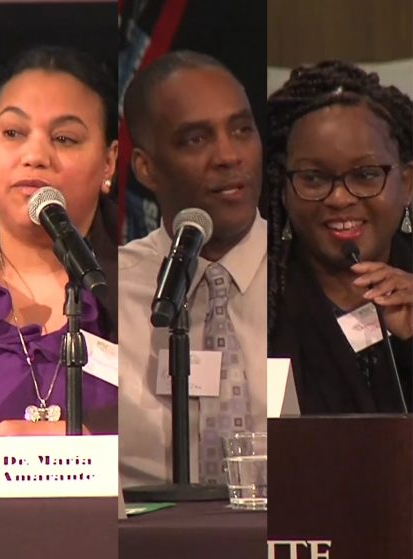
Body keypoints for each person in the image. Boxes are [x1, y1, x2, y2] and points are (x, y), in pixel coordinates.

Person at [119, 51, 267, 487]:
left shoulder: (305, 272)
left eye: (242, 130)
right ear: (146, 167)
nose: (228, 155)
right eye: (195, 140)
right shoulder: (106, 295)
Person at [0, 47, 118, 437]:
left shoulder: (143, 277)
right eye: (12, 133)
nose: (35, 155)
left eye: (65, 138)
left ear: (109, 163)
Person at [266, 61, 412, 413]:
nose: (340, 198)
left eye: (365, 175)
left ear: (407, 185)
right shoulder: (263, 304)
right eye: (314, 178)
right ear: (284, 190)